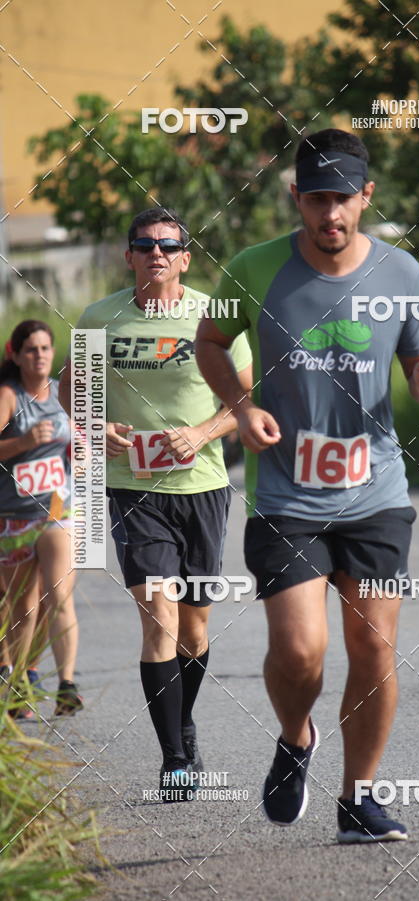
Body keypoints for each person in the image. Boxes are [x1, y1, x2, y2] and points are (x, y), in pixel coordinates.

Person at [196, 129, 419, 842]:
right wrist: (242, 408)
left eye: (342, 199)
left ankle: (358, 800)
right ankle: (295, 735)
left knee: (372, 649)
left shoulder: (402, 274)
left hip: (375, 491)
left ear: (366, 197)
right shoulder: (254, 267)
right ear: (296, 197)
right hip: (287, 495)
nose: (329, 214)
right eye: (316, 199)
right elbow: (209, 342)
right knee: (301, 649)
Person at [58, 207, 252, 800]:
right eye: (144, 245)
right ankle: (173, 759)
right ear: (130, 256)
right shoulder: (101, 317)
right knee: (159, 619)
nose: (156, 254)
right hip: (132, 488)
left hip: (203, 487)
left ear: (186, 258)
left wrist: (201, 433)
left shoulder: (212, 315)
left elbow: (244, 397)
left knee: (193, 628)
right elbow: (70, 389)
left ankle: (184, 720)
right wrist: (98, 424)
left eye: (168, 246)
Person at [0, 320, 81, 717]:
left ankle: (67, 683)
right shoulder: (8, 396)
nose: (41, 356)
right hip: (14, 519)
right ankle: (18, 683)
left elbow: (78, 440)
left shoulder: (60, 394)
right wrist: (24, 442)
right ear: (15, 354)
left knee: (58, 595)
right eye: (32, 349)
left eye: (47, 348)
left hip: (56, 512)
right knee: (22, 608)